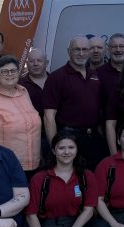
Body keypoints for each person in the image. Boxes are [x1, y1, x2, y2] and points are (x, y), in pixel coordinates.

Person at [42, 36, 106, 170]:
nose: (81, 53)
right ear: (68, 51)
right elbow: (49, 117)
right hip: (69, 139)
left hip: (93, 139)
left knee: (93, 180)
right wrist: (56, 146)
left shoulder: (94, 75)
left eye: (85, 49)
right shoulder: (56, 77)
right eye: (77, 49)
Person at [0, 55, 43, 175]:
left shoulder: (23, 92)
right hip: (4, 166)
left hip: (34, 164)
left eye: (13, 71)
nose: (9, 74)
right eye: (4, 71)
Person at [95, 33, 124, 109]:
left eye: (121, 46)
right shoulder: (98, 74)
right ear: (108, 50)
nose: (118, 50)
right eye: (114, 47)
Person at [20, 48, 49, 117]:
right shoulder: (19, 85)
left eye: (39, 60)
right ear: (27, 64)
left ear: (46, 63)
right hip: (30, 127)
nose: (35, 64)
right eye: (31, 61)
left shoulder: (56, 82)